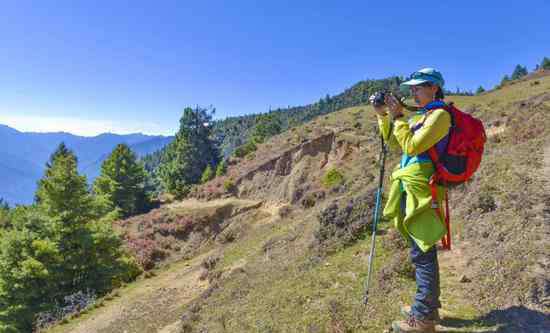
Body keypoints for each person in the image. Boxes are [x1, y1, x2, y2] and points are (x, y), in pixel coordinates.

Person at [373, 68, 451, 333]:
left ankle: (422, 319)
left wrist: (398, 118)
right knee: (421, 251)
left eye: (417, 87)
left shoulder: (440, 116)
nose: (413, 92)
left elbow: (412, 147)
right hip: (412, 187)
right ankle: (429, 307)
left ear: (433, 88)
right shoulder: (423, 116)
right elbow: (394, 143)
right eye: (412, 88)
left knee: (422, 253)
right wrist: (384, 116)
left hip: (422, 191)